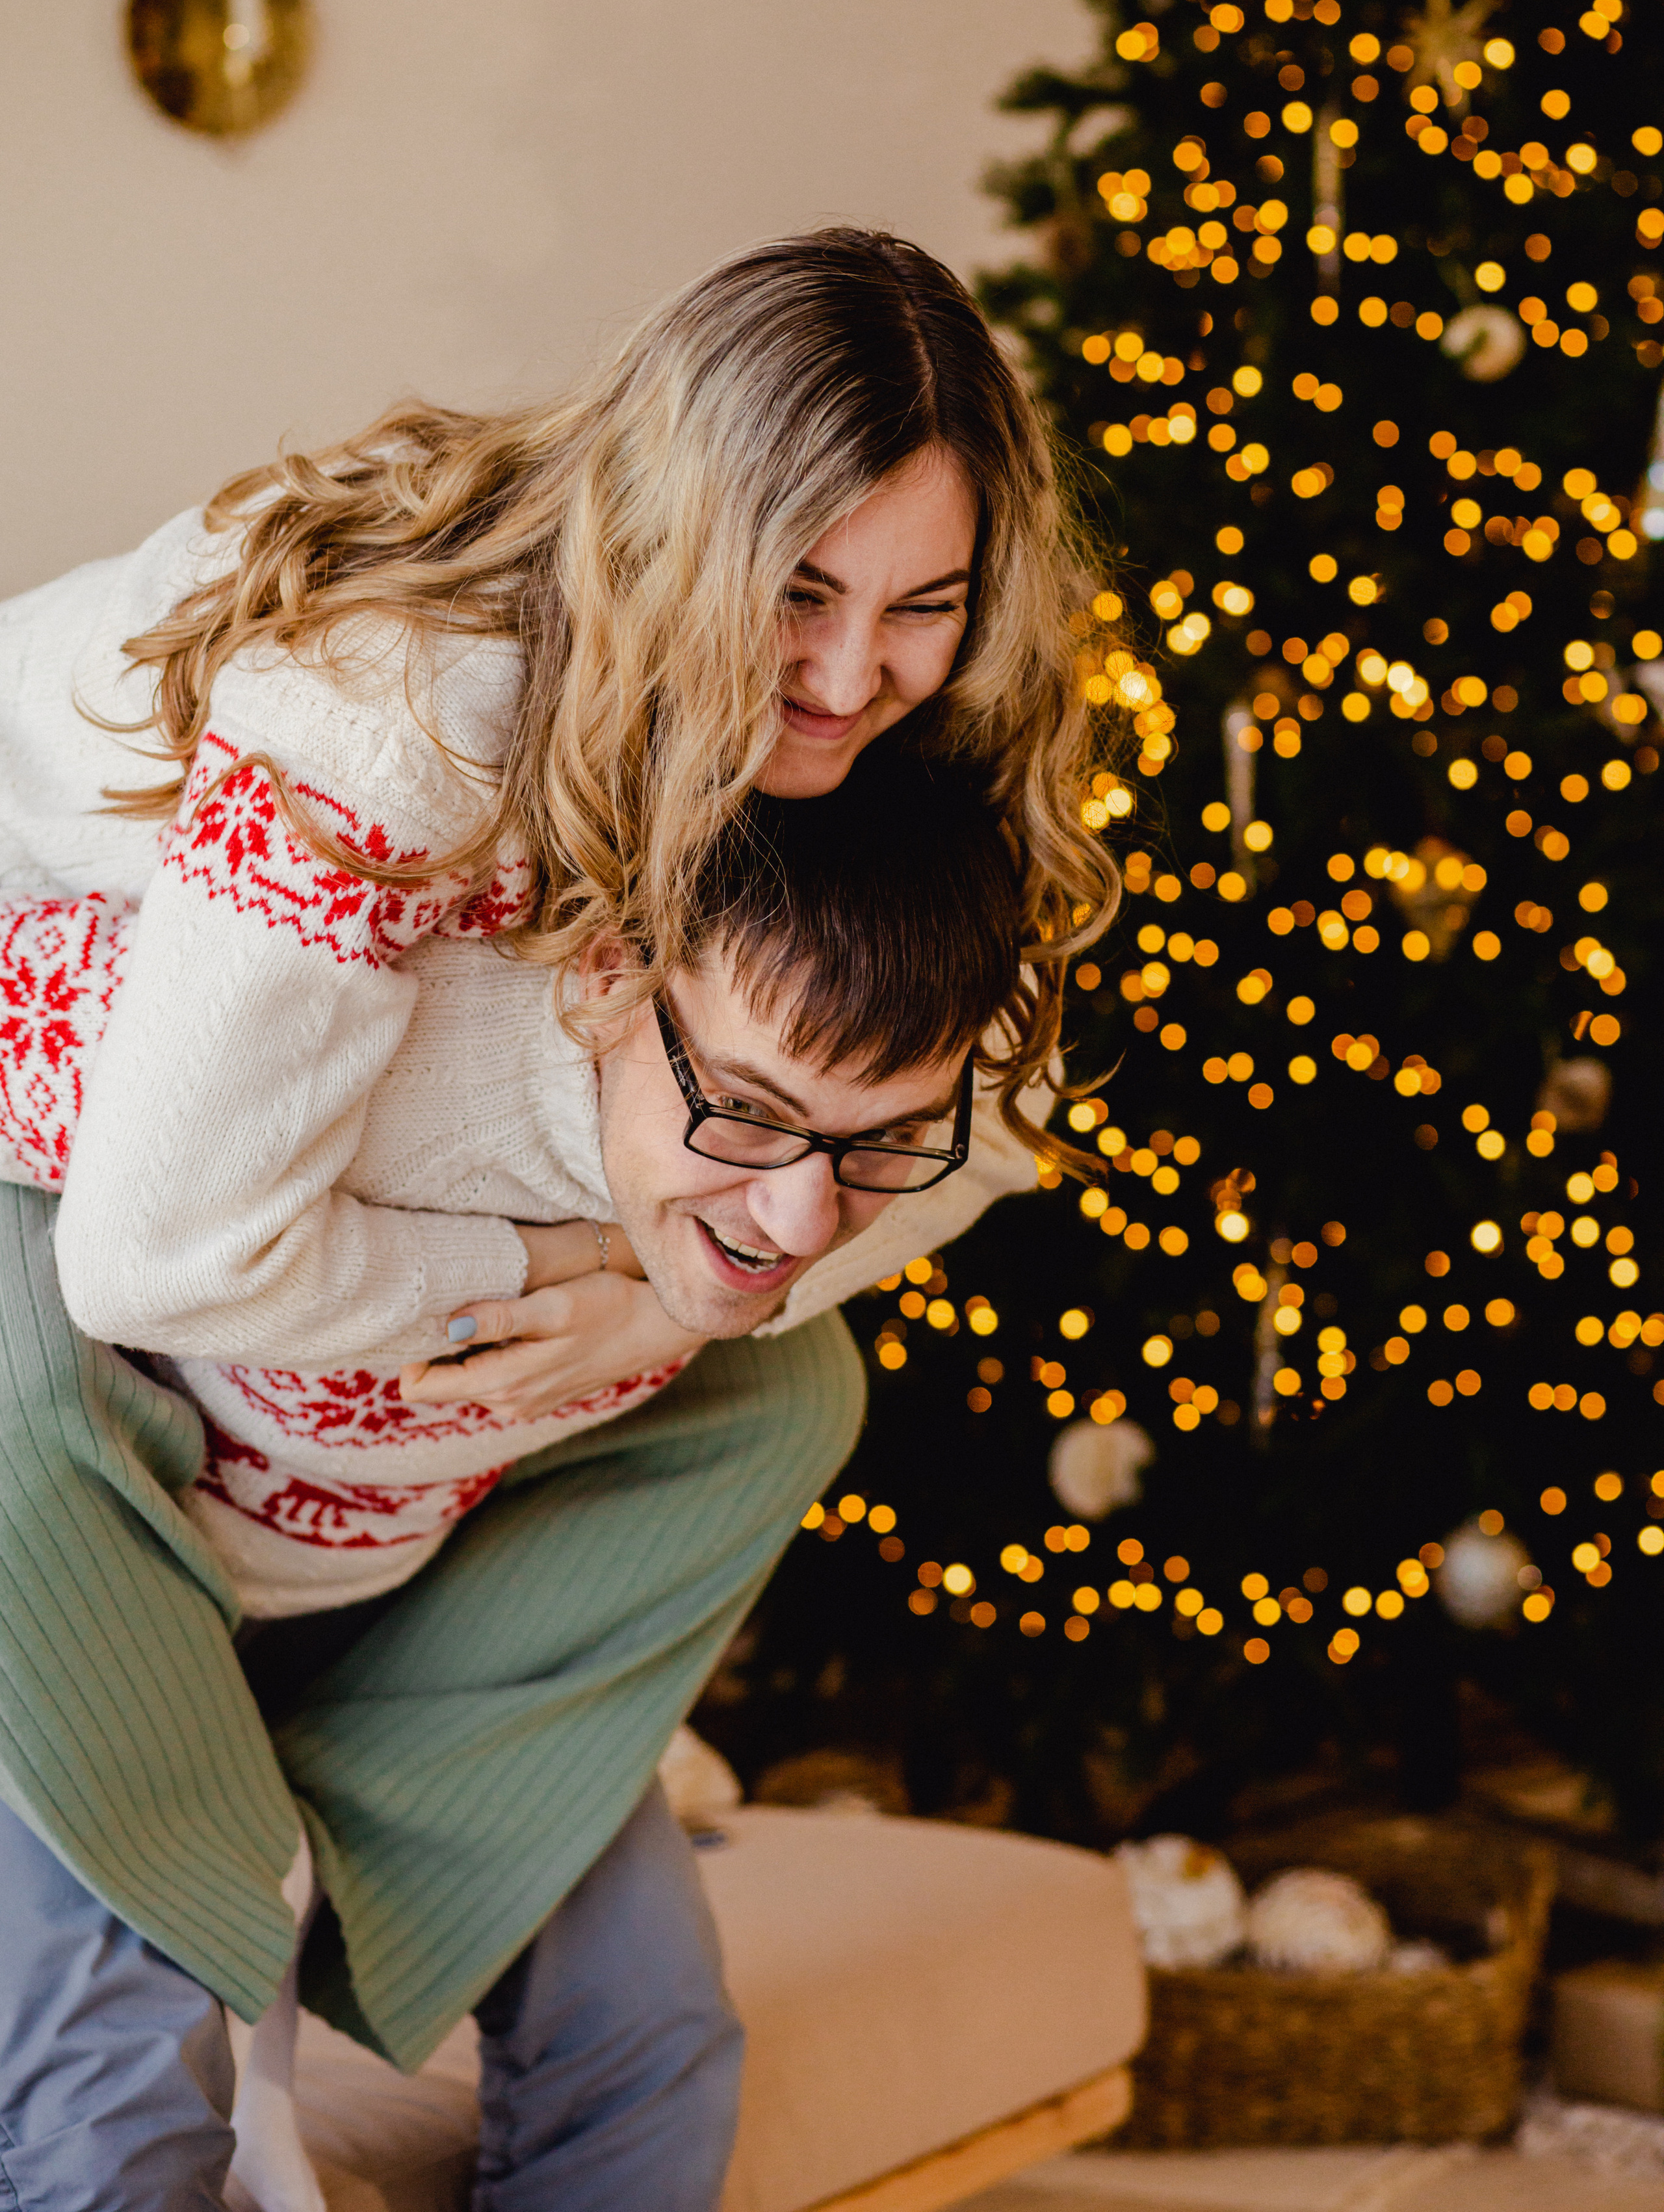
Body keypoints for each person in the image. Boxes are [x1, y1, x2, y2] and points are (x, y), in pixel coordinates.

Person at [0, 228, 1118, 2207]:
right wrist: (570, 1268)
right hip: (66, 1116)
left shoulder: (888, 745)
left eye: (922, 601)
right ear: (689, 536)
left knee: (786, 1394)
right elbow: (157, 1253)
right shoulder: (399, 712)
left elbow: (995, 1132)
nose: (856, 673)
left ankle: (396, 1775)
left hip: (310, 1304)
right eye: (800, 591)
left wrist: (665, 1314)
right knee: (112, 2036)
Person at [0, 752, 1030, 2211]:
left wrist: (650, 1288)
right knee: (119, 2095)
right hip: (79, 1603)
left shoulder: (773, 1219)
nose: (802, 1216)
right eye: (744, 1111)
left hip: (380, 1632)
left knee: (649, 2033)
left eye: (876, 1146)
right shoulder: (322, 1042)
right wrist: (505, 1265)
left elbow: (1017, 1132)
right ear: (611, 979)